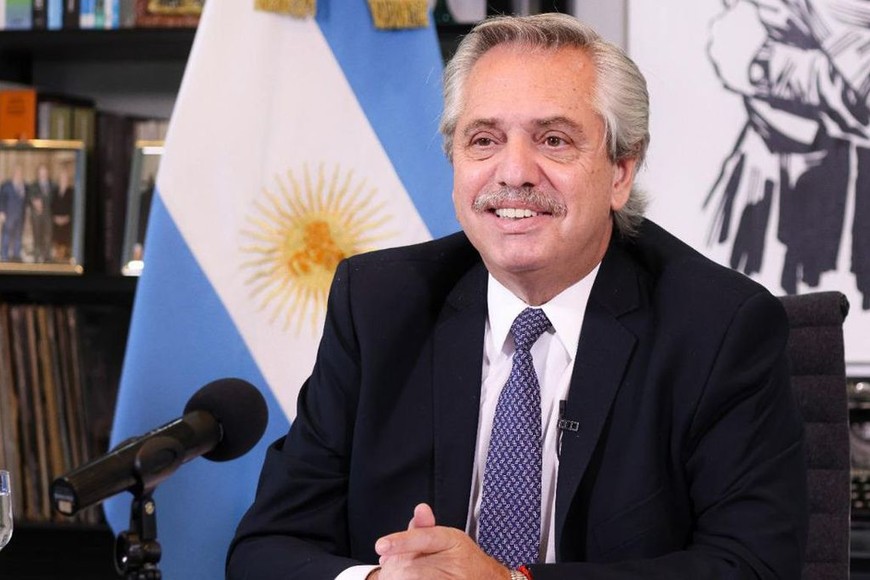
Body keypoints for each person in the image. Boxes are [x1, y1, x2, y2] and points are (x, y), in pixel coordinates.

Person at [227, 13, 807, 579]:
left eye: (553, 140)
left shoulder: (718, 326)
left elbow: (752, 564)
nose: (514, 173)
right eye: (484, 140)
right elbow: (267, 548)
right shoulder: (378, 305)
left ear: (621, 172)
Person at [28, 163, 56, 263]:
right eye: (41, 172)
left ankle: (47, 257)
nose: (43, 174)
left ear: (47, 173)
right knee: (37, 236)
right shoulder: (33, 185)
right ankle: (37, 256)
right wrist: (35, 203)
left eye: (45, 172)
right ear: (38, 173)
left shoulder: (53, 185)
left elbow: (56, 200)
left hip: (48, 215)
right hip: (37, 215)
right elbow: (29, 198)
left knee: (48, 236)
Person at [0, 164, 29, 262]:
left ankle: (16, 256)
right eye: (17, 172)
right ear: (13, 173)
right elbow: (1, 199)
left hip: (20, 217)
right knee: (6, 236)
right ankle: (4, 256)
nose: (18, 174)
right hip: (8, 216)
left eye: (20, 173)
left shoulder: (25, 186)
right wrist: (2, 211)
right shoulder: (6, 185)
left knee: (18, 237)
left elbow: (27, 201)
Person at [51, 166, 74, 261]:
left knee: (65, 244)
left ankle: (64, 257)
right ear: (59, 179)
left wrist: (67, 218)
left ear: (68, 179)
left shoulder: (72, 191)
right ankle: (57, 258)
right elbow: (52, 205)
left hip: (67, 222)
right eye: (62, 177)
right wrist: (54, 217)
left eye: (65, 178)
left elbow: (73, 207)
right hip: (56, 222)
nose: (63, 179)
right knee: (56, 242)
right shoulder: (55, 191)